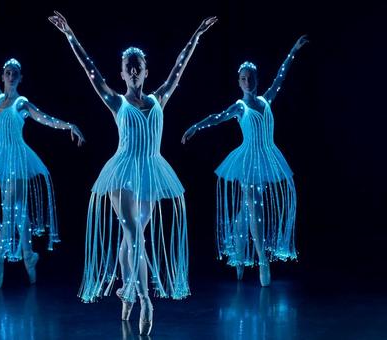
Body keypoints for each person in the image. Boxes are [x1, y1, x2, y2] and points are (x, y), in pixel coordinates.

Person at [49, 11, 217, 336]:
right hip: (123, 173)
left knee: (132, 238)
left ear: (146, 71)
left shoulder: (159, 99)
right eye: (130, 67)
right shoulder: (116, 102)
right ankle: (144, 299)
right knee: (134, 234)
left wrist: (196, 35)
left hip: (150, 173)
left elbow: (179, 69)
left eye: (139, 65)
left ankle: (126, 289)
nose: (135, 70)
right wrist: (70, 33)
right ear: (124, 73)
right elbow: (91, 71)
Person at [0, 25, 85, 288]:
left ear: (20, 78)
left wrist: (68, 125)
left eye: (15, 74)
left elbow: (44, 118)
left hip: (17, 159)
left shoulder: (21, 103)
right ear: (3, 76)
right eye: (7, 73)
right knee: (19, 211)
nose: (10, 76)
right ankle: (29, 255)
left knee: (10, 208)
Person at [182, 35, 308, 286]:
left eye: (251, 78)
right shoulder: (241, 106)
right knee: (256, 207)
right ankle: (262, 260)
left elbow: (281, 76)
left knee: (245, 211)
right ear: (238, 82)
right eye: (243, 79)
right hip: (248, 160)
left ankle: (239, 257)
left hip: (268, 156)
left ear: (257, 80)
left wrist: (293, 50)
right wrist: (197, 126)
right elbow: (217, 117)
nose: (247, 82)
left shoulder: (265, 99)